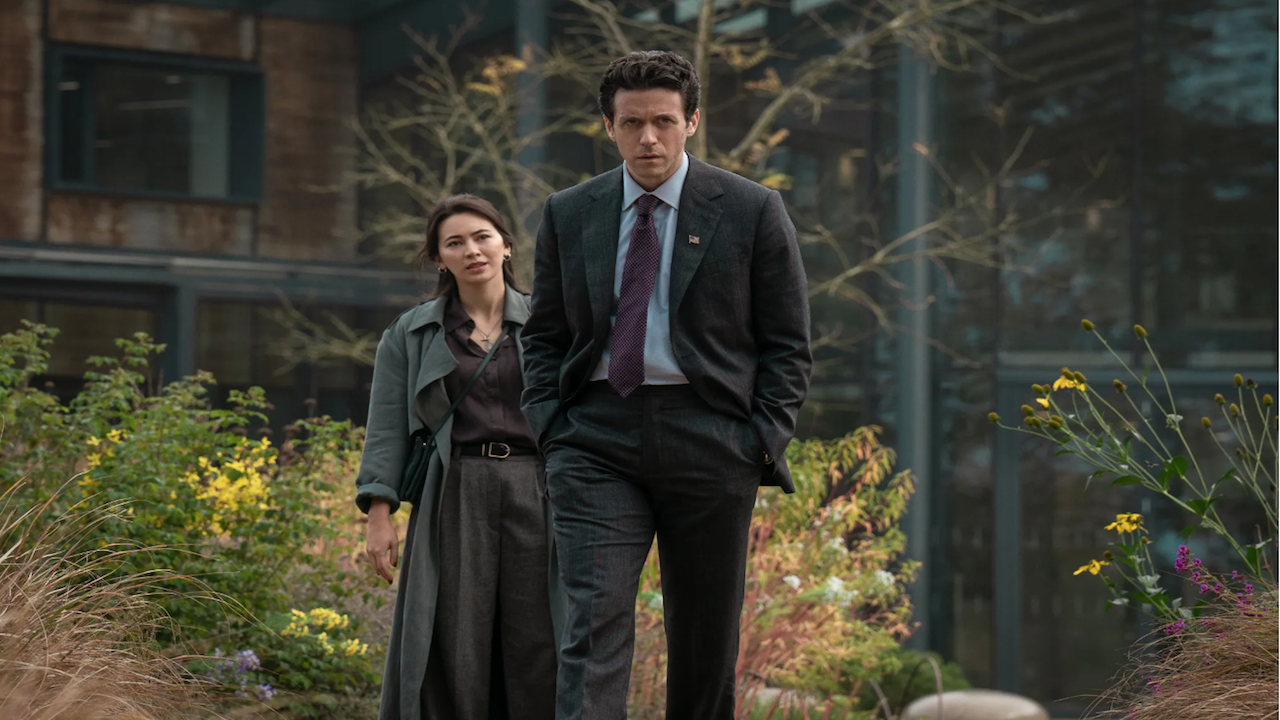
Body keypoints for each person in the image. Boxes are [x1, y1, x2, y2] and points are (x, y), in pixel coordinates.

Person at [520, 51, 812, 720]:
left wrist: (759, 439)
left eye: (663, 122)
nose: (648, 138)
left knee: (705, 636)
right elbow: (543, 334)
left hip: (711, 436)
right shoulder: (570, 212)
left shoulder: (752, 209)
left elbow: (788, 343)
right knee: (593, 625)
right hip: (594, 436)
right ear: (608, 125)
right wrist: (551, 426)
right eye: (631, 123)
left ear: (692, 122)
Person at [355, 194, 561, 720]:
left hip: (538, 490)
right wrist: (380, 515)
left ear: (506, 246)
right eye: (455, 243)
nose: (472, 250)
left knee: (539, 635)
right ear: (439, 258)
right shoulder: (412, 332)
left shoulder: (550, 323)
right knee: (455, 636)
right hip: (455, 489)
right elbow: (385, 428)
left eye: (482, 237)